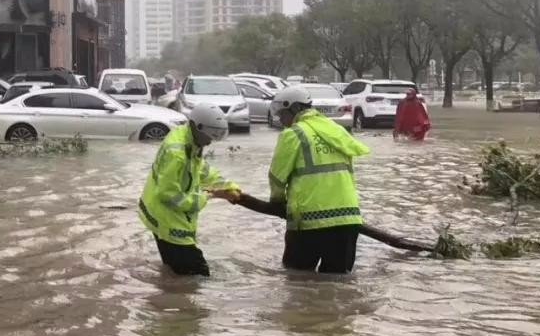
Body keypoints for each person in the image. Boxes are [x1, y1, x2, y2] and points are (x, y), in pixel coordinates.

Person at [225, 86, 369, 274]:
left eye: (282, 115)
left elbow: (277, 177)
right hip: (348, 220)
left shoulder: (293, 134)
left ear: (293, 109)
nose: (280, 120)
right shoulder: (336, 130)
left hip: (309, 222)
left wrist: (277, 202)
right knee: (337, 282)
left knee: (296, 280)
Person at [138, 102, 241, 277]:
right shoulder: (177, 153)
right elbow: (169, 195)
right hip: (167, 219)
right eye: (208, 137)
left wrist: (229, 186)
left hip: (165, 216)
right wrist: (208, 196)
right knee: (198, 276)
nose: (209, 142)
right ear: (196, 126)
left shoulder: (189, 141)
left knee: (176, 275)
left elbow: (202, 170)